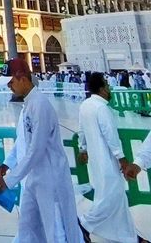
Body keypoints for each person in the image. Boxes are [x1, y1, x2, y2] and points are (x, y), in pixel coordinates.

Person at [0, 58, 84, 243]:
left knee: (55, 229)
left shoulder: (40, 105)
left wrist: (9, 180)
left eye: (11, 82)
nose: (10, 87)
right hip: (33, 178)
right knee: (27, 226)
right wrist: (9, 162)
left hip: (50, 179)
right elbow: (23, 140)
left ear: (23, 78)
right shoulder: (29, 104)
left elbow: (36, 149)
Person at [76, 72, 139, 243]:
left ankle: (129, 236)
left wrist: (82, 149)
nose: (109, 88)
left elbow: (81, 129)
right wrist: (122, 159)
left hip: (96, 161)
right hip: (107, 161)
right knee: (111, 197)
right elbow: (110, 136)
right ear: (102, 89)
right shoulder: (101, 108)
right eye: (107, 85)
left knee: (117, 199)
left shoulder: (85, 105)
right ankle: (84, 223)